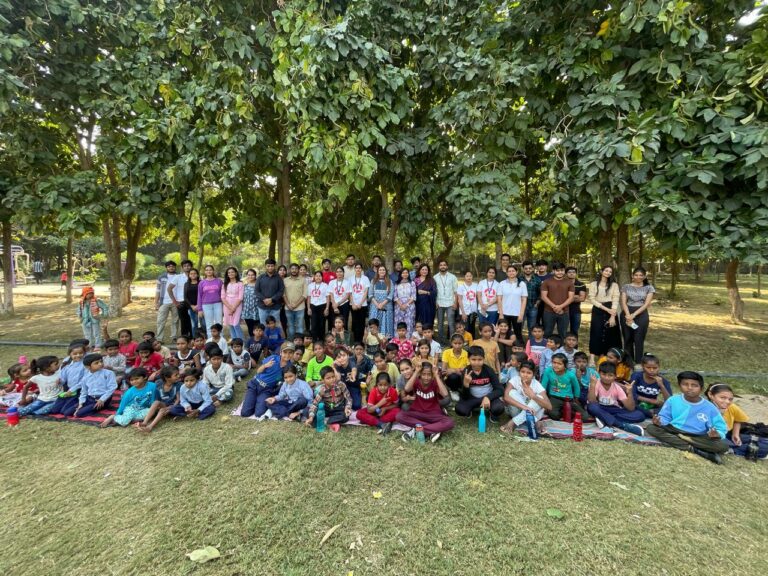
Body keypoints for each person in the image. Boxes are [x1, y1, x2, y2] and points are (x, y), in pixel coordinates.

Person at [645, 371, 729, 464]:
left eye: (694, 385)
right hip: (675, 430)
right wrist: (659, 422)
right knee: (651, 428)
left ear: (701, 388)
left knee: (723, 446)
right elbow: (664, 417)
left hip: (697, 436)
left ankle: (680, 441)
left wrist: (717, 434)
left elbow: (721, 427)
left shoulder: (710, 407)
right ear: (679, 386)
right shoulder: (673, 400)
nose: (689, 388)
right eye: (685, 384)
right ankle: (695, 450)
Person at [397, 362, 454, 443]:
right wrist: (416, 372)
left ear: (432, 375)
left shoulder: (434, 382)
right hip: (418, 412)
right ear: (420, 374)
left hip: (433, 413)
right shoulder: (417, 381)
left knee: (449, 423)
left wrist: (436, 375)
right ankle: (432, 430)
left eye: (429, 374)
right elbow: (407, 389)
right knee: (399, 416)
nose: (426, 377)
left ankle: (416, 430)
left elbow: (445, 394)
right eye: (423, 374)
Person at [586, 362, 646, 435]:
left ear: (615, 376)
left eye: (610, 375)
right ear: (599, 374)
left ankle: (604, 419)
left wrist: (630, 393)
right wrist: (592, 385)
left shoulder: (617, 387)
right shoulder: (595, 382)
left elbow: (630, 408)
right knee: (592, 407)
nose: (606, 378)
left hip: (613, 409)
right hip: (599, 407)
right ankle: (621, 425)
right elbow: (591, 401)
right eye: (603, 374)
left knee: (640, 415)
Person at [240, 342, 295, 419]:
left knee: (259, 413)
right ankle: (252, 398)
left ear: (293, 354)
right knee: (245, 413)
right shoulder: (273, 358)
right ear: (280, 352)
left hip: (266, 390)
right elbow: (258, 371)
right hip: (255, 384)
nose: (287, 355)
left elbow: (288, 381)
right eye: (285, 352)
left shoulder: (290, 367)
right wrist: (265, 366)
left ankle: (258, 400)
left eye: (290, 353)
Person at [500, 360, 552, 434]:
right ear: (519, 372)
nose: (525, 375)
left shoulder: (537, 385)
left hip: (534, 412)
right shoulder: (514, 380)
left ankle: (513, 422)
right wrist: (526, 408)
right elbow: (506, 397)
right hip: (518, 412)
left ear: (533, 374)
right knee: (511, 392)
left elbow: (549, 407)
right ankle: (536, 422)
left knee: (539, 397)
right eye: (523, 372)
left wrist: (533, 396)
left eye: (529, 373)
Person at [456, 346, 505, 422]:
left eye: (480, 359)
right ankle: (472, 409)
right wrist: (466, 384)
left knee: (499, 407)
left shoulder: (489, 370)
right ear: (468, 359)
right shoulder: (466, 372)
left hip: (488, 397)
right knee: (460, 409)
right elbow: (465, 396)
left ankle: (492, 412)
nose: (477, 362)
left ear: (483, 359)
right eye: (473, 359)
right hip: (472, 398)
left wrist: (488, 397)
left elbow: (500, 389)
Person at [620, 266, 656, 365]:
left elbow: (646, 304)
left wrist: (633, 315)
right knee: (627, 338)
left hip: (641, 314)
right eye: (636, 275)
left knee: (639, 338)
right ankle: (628, 361)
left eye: (641, 275)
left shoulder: (649, 288)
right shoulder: (626, 287)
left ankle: (638, 362)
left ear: (644, 276)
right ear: (632, 276)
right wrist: (628, 315)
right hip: (627, 313)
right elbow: (623, 302)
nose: (638, 277)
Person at [587, 265, 621, 364]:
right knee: (596, 332)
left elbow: (615, 299)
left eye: (610, 272)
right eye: (606, 270)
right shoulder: (593, 284)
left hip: (611, 309)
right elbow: (592, 299)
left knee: (609, 333)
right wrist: (606, 309)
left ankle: (604, 356)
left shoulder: (614, 285)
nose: (608, 273)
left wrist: (612, 316)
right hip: (598, 309)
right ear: (601, 271)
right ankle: (592, 357)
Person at [305, 366, 354, 432]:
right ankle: (332, 421)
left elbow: (348, 398)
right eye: (328, 378)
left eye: (333, 377)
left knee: (346, 416)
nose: (332, 379)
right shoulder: (322, 389)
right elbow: (315, 404)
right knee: (308, 412)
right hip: (327, 409)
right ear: (323, 380)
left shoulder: (341, 385)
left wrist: (347, 408)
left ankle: (325, 421)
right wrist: (311, 417)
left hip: (339, 408)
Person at [541, 352, 587, 420]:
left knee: (585, 416)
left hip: (568, 399)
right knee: (554, 415)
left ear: (565, 365)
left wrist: (576, 399)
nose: (556, 365)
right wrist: (545, 400)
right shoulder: (548, 371)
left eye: (559, 364)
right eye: (554, 362)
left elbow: (576, 387)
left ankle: (566, 411)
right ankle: (563, 411)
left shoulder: (570, 375)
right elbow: (543, 387)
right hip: (554, 397)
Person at [137, 366, 181, 433]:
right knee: (156, 402)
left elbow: (178, 400)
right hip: (163, 404)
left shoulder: (178, 385)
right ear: (167, 377)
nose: (178, 376)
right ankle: (144, 422)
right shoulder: (159, 383)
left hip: (173, 406)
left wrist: (170, 407)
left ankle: (150, 427)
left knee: (162, 410)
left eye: (178, 374)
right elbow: (154, 395)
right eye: (176, 375)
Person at [706, 382, 749, 450]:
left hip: (727, 433)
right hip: (712, 435)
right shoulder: (705, 409)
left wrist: (735, 434)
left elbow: (738, 419)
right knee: (726, 446)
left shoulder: (731, 407)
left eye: (730, 399)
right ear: (710, 395)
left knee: (761, 443)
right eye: (723, 398)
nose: (727, 402)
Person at [74, 353, 118, 418]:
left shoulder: (109, 373)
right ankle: (90, 407)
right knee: (68, 412)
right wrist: (81, 403)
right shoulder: (85, 377)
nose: (100, 364)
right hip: (90, 398)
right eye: (96, 363)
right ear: (88, 367)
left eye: (101, 361)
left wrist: (102, 399)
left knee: (79, 414)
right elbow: (84, 392)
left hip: (103, 399)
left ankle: (102, 407)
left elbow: (112, 387)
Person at [49, 343, 87, 416]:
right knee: (55, 410)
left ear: (84, 353)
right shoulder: (67, 366)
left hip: (79, 391)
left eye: (81, 353)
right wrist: (60, 381)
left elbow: (84, 381)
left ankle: (81, 403)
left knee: (65, 412)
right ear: (70, 355)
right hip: (69, 391)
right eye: (75, 354)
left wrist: (73, 389)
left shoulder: (85, 365)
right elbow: (63, 379)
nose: (78, 355)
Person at [540, 262, 574, 337]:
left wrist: (560, 307)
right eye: (557, 270)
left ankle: (561, 344)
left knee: (563, 333)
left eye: (562, 270)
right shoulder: (546, 282)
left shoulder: (569, 282)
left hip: (564, 312)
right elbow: (543, 296)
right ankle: (546, 345)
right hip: (549, 312)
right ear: (553, 271)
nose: (560, 272)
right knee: (547, 332)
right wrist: (555, 307)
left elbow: (571, 298)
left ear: (564, 271)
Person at [499, 264, 527, 342]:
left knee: (518, 333)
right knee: (504, 333)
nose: (511, 273)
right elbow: (499, 299)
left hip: (517, 313)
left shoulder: (522, 284)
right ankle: (505, 348)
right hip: (505, 313)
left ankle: (520, 347)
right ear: (507, 273)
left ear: (516, 272)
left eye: (513, 271)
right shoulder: (502, 283)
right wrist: (501, 314)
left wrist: (521, 314)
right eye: (509, 271)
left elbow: (524, 299)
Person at [254, 258, 285, 327]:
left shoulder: (278, 278)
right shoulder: (260, 277)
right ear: (265, 266)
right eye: (268, 266)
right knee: (263, 325)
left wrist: (272, 299)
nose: (270, 267)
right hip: (262, 307)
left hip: (275, 307)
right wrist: (264, 300)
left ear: (275, 266)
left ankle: (275, 335)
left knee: (276, 325)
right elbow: (256, 291)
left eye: (272, 266)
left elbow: (281, 291)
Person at [155, 261, 180, 343]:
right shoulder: (161, 277)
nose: (171, 268)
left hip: (176, 301)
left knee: (175, 320)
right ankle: (159, 338)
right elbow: (158, 290)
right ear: (166, 268)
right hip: (163, 302)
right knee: (160, 321)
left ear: (175, 267)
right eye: (169, 266)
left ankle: (174, 337)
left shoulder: (179, 276)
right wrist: (156, 302)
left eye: (172, 266)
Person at [167, 259, 192, 338]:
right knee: (184, 321)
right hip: (181, 302)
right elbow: (169, 289)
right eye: (185, 266)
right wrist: (175, 302)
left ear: (191, 267)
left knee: (193, 321)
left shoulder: (195, 276)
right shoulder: (178, 277)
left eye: (188, 266)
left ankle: (193, 337)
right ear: (182, 268)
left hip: (193, 302)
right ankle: (185, 338)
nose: (187, 267)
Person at [434, 260, 458, 344]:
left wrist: (455, 303)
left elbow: (456, 291)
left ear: (447, 266)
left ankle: (453, 342)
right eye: (441, 265)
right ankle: (440, 342)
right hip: (439, 303)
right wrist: (435, 302)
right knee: (440, 324)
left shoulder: (453, 277)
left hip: (450, 303)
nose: (442, 266)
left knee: (451, 324)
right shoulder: (435, 277)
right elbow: (434, 291)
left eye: (444, 265)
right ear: (439, 267)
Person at [197, 265, 224, 338]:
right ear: (205, 272)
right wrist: (199, 309)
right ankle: (210, 339)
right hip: (206, 305)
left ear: (213, 271)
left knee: (219, 322)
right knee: (209, 324)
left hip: (218, 304)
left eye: (210, 270)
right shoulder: (202, 283)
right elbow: (199, 296)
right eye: (207, 270)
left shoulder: (219, 281)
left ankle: (220, 339)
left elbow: (223, 294)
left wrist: (224, 306)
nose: (209, 271)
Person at [368, 265, 395, 338]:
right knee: (375, 323)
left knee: (386, 323)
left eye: (383, 270)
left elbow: (391, 295)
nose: (382, 271)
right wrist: (377, 305)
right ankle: (374, 339)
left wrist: (382, 304)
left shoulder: (390, 282)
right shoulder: (373, 281)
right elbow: (370, 294)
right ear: (377, 271)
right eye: (380, 270)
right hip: (375, 306)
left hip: (386, 306)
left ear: (386, 271)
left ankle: (386, 340)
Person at [441, 333, 469, 401]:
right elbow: (444, 371)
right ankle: (453, 391)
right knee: (453, 377)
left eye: (460, 343)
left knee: (465, 376)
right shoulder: (446, 352)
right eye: (455, 343)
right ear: (451, 343)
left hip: (462, 377)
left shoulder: (466, 354)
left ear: (463, 343)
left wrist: (454, 370)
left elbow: (468, 370)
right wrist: (459, 370)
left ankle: (461, 389)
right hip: (450, 378)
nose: (457, 346)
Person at [283, 263, 307, 341]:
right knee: (290, 326)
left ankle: (299, 343)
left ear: (298, 270)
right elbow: (283, 294)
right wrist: (288, 304)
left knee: (300, 326)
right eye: (292, 269)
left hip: (300, 308)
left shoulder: (303, 280)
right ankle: (292, 342)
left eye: (296, 269)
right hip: (288, 308)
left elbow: (304, 294)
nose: (294, 270)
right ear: (290, 270)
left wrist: (296, 304)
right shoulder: (285, 280)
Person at [220, 266, 244, 340]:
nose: (231, 273)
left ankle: (241, 342)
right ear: (227, 274)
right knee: (230, 324)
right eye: (229, 272)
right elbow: (223, 297)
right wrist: (230, 308)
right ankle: (234, 342)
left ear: (236, 273)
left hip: (237, 305)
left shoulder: (240, 284)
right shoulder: (224, 284)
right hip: (227, 306)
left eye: (232, 272)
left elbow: (240, 297)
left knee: (236, 324)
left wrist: (233, 308)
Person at [349, 262, 371, 343]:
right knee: (354, 323)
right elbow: (349, 292)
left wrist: (360, 303)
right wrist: (353, 303)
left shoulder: (365, 278)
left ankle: (361, 341)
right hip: (353, 304)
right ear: (354, 269)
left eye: (359, 268)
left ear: (361, 269)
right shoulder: (350, 279)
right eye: (356, 268)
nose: (358, 269)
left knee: (361, 323)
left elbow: (366, 292)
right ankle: (355, 341)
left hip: (363, 304)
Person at [307, 270, 330, 342]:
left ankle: (321, 340)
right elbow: (309, 297)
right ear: (314, 277)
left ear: (322, 277)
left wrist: (327, 308)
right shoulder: (310, 285)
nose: (318, 277)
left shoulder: (325, 285)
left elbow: (327, 297)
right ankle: (314, 340)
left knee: (322, 324)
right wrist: (308, 308)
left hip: (322, 306)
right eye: (316, 276)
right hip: (313, 306)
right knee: (313, 325)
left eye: (319, 276)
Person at [520, 261, 541, 336]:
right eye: (526, 268)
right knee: (519, 325)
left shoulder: (537, 280)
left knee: (532, 327)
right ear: (523, 269)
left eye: (530, 268)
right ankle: (519, 341)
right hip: (521, 307)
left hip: (533, 306)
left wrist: (537, 303)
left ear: (532, 269)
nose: (528, 270)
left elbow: (541, 293)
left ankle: (531, 341)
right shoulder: (519, 279)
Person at [565, 266, 587, 337]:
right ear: (566, 274)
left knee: (574, 331)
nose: (571, 274)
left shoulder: (581, 284)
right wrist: (576, 296)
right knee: (563, 330)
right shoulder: (562, 284)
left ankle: (574, 344)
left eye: (573, 272)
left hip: (576, 311)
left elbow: (582, 298)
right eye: (569, 272)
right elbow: (560, 297)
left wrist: (568, 297)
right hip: (564, 310)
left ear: (576, 273)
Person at [456, 270, 478, 338]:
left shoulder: (476, 285)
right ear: (464, 277)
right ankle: (464, 341)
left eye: (470, 276)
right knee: (465, 328)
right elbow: (459, 300)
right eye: (467, 276)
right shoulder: (461, 287)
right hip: (464, 311)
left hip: (473, 311)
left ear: (472, 277)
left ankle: (472, 341)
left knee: (472, 328)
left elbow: (478, 297)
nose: (469, 277)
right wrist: (463, 313)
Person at [328, 266, 351, 331]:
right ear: (335, 273)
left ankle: (344, 336)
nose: (339, 273)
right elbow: (331, 294)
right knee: (333, 322)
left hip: (344, 304)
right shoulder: (332, 282)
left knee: (344, 322)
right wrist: (334, 306)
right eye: (337, 272)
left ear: (343, 273)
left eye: (340, 271)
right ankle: (333, 336)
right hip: (333, 304)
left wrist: (338, 303)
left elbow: (347, 295)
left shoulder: (347, 282)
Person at [414, 264, 437, 329]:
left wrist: (425, 292)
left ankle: (428, 333)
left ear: (428, 271)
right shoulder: (416, 280)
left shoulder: (431, 280)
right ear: (419, 270)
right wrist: (417, 292)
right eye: (423, 269)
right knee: (419, 321)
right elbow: (412, 292)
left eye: (426, 270)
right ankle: (419, 334)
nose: (424, 271)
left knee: (428, 321)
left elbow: (434, 292)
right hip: (418, 304)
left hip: (429, 305)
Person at [184, 267, 203, 337]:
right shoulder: (186, 284)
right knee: (194, 324)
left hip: (201, 307)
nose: (193, 275)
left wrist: (198, 305)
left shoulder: (201, 283)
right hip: (191, 307)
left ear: (197, 275)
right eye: (191, 274)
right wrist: (192, 306)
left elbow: (203, 295)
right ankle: (195, 338)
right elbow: (185, 297)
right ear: (189, 275)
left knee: (203, 324)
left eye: (195, 273)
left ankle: (205, 338)